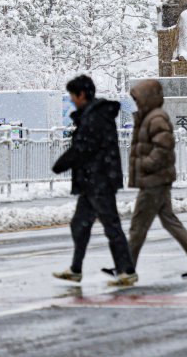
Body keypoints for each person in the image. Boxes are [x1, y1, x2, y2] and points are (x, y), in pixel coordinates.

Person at [114, 79, 187, 280]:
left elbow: (164, 146)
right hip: (157, 179)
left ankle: (126, 268)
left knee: (138, 225)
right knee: (168, 221)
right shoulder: (149, 116)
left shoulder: (155, 118)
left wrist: (145, 164)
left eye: (138, 98)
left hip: (154, 180)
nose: (136, 102)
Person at [51, 75, 137, 287]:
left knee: (111, 225)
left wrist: (61, 163)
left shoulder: (95, 117)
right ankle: (76, 269)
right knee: (79, 225)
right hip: (92, 181)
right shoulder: (92, 115)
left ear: (82, 94)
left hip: (99, 181)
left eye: (73, 96)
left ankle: (126, 271)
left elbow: (83, 148)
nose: (72, 101)